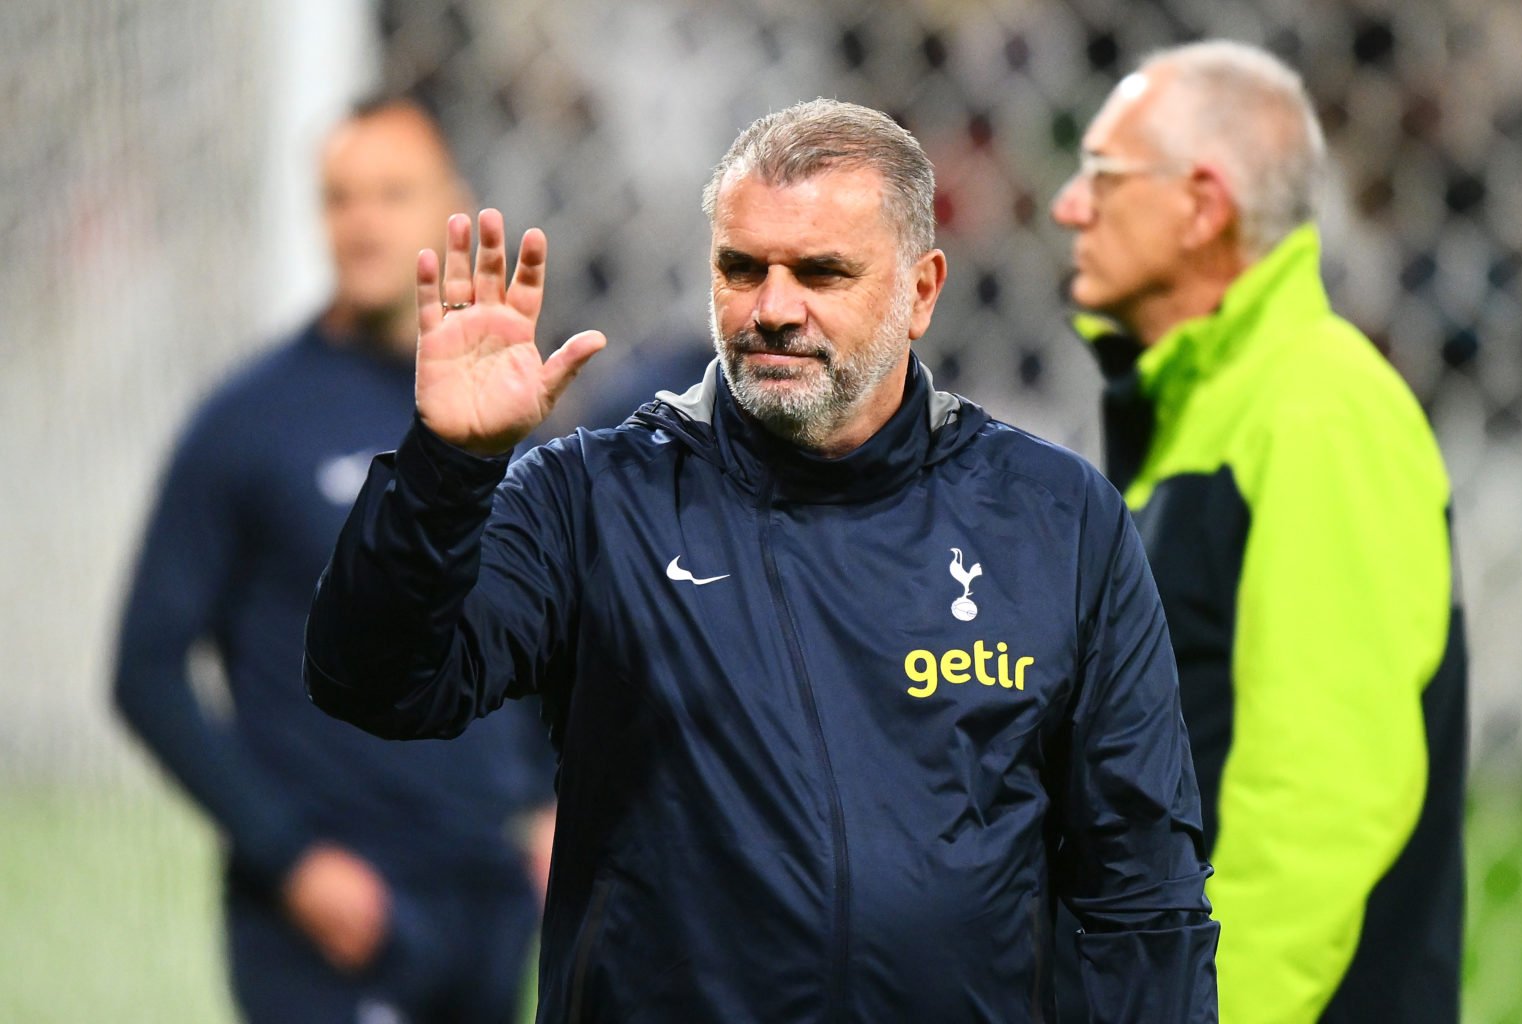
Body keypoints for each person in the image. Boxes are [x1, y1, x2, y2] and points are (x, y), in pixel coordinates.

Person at [303, 98, 1218, 1023]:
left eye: (822, 272)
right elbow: (378, 683)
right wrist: (446, 469)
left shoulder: (1054, 519)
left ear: (922, 291)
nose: (773, 308)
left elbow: (1140, 881)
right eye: (743, 269)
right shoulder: (596, 498)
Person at [1051, 40, 1467, 1024]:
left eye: (1103, 176)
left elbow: (1318, 792)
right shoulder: (1206, 408)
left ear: (1203, 207)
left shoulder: (1319, 408)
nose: (1070, 205)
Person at [114, 97, 555, 1024]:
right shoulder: (250, 422)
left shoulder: (512, 408)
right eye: (339, 197)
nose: (362, 222)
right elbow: (146, 670)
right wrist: (290, 858)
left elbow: (547, 634)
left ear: (456, 207)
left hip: (487, 898)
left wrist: (559, 805)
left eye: (392, 194)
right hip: (333, 915)